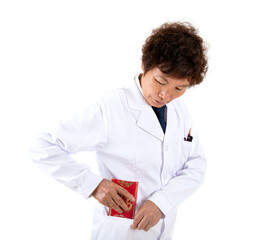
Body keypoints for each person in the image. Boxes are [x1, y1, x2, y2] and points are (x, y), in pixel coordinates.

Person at [30, 21, 208, 239]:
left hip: (164, 230)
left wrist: (161, 202)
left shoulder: (179, 111)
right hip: (120, 232)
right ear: (144, 65)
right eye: (161, 81)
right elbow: (43, 145)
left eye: (179, 88)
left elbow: (196, 163)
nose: (166, 95)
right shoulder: (110, 108)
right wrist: (93, 185)